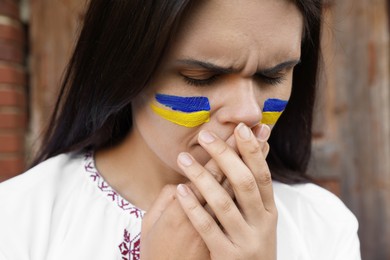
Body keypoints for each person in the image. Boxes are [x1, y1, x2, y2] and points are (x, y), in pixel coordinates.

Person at [0, 0, 361, 259]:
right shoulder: (17, 218)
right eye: (201, 77)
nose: (248, 113)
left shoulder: (324, 224)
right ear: (125, 71)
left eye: (273, 75)